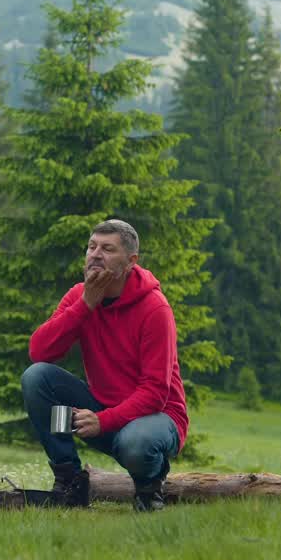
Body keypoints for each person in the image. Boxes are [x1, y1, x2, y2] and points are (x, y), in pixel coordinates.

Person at [21, 219, 188, 512]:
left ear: (130, 261)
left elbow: (155, 392)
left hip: (158, 418)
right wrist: (85, 305)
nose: (96, 254)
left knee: (136, 442)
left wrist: (104, 421)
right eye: (92, 246)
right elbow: (40, 351)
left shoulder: (155, 309)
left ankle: (149, 489)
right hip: (103, 407)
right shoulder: (80, 296)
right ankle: (70, 484)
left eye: (108, 249)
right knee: (38, 378)